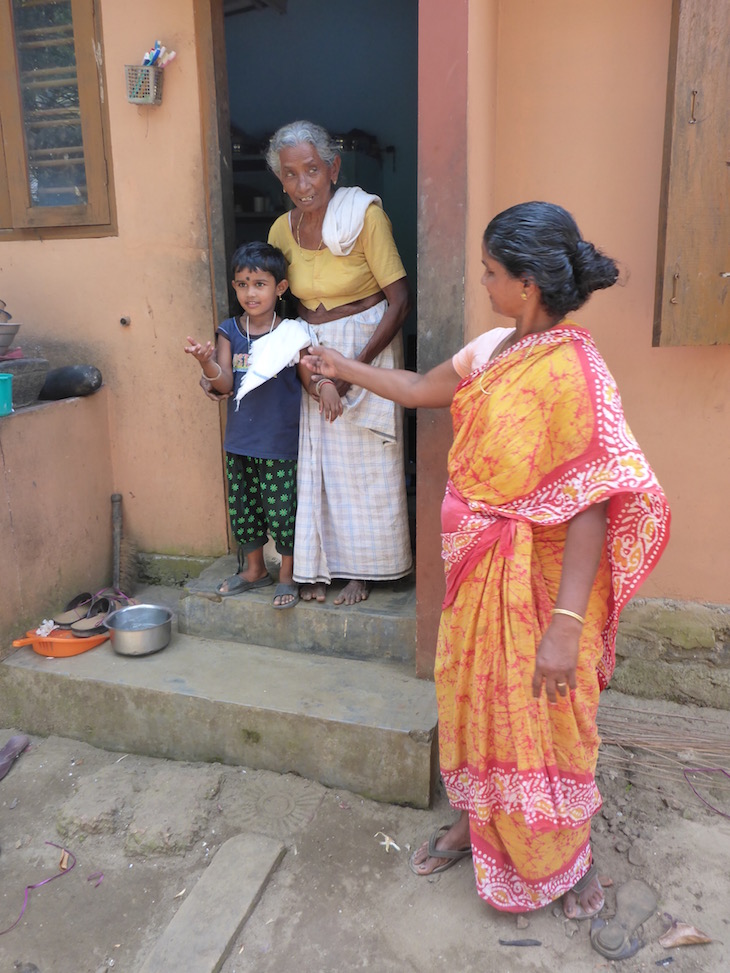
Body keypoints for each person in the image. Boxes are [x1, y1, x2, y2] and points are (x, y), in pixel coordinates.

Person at [303, 201, 671, 919]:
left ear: (528, 283)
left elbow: (592, 501)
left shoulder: (576, 372)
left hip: (543, 591)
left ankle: (566, 854)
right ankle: (482, 825)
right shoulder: (492, 349)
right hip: (477, 577)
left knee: (550, 720)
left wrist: (566, 626)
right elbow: (417, 391)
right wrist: (339, 363)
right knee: (476, 706)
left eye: (492, 272)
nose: (482, 280)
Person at [265, 120, 413, 606]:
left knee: (367, 462)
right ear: (280, 179)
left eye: (312, 170)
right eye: (290, 174)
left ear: (333, 168)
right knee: (321, 464)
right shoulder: (279, 231)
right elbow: (281, 307)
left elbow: (398, 300)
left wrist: (353, 370)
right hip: (311, 349)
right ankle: (321, 565)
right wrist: (310, 369)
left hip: (366, 342)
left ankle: (364, 570)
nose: (302, 185)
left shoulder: (364, 216)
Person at [185, 241, 306, 609]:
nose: (249, 293)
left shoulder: (292, 334)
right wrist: (206, 364)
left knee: (283, 512)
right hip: (239, 441)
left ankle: (287, 575)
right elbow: (224, 384)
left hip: (279, 443)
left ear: (279, 288)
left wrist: (328, 386)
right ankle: (255, 570)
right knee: (245, 510)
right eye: (241, 284)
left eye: (259, 284)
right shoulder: (229, 331)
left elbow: (308, 377)